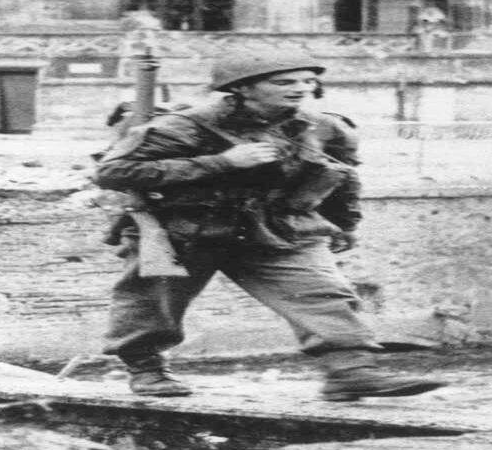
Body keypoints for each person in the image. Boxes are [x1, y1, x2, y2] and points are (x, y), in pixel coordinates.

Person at [93, 50, 446, 402]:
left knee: (321, 293)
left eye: (308, 81)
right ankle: (148, 370)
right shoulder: (184, 127)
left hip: (274, 227)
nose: (300, 88)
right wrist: (220, 162)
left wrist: (344, 223)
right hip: (183, 230)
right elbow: (113, 172)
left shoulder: (323, 127)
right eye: (284, 82)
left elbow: (342, 176)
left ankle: (351, 372)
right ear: (243, 89)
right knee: (154, 302)